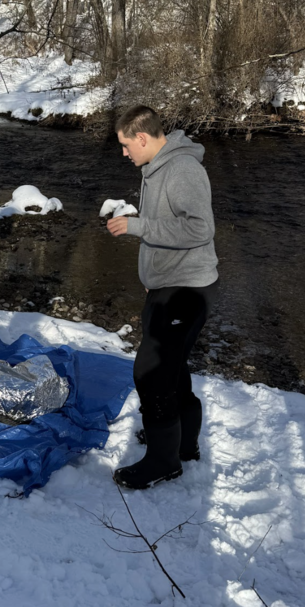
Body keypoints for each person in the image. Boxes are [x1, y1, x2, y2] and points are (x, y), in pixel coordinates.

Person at [106, 105, 219, 490]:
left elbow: (200, 228)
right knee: (172, 367)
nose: (124, 153)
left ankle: (162, 462)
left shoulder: (183, 169)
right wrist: (152, 272)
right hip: (170, 284)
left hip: (186, 289)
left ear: (142, 138)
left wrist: (138, 226)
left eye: (125, 145)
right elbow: (170, 225)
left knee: (150, 373)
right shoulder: (156, 167)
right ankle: (182, 443)